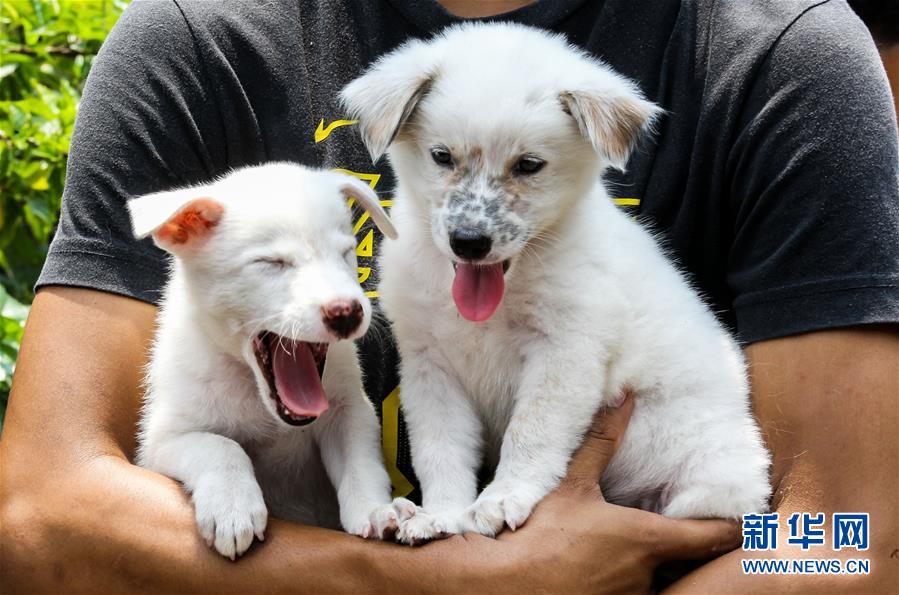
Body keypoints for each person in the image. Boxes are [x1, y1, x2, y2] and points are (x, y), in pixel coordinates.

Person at [2, 0, 897, 591]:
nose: (472, 219)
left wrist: (692, 549)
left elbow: (861, 537)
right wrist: (439, 583)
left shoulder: (782, 55)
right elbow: (36, 515)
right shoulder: (200, 41)